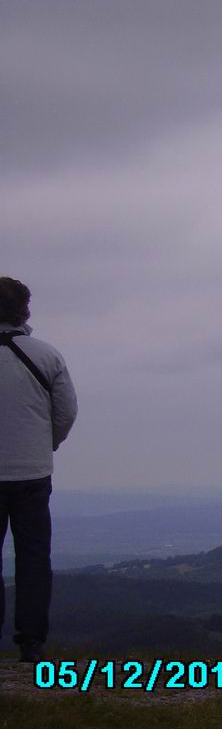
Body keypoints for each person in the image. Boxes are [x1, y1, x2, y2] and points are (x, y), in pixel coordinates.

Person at [0, 277, 78, 663]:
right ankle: (31, 642)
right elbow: (66, 413)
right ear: (23, 311)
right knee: (33, 557)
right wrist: (46, 445)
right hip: (31, 472)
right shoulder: (47, 355)